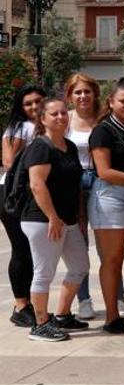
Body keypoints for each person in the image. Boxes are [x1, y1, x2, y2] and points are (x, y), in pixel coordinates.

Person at [19, 99, 88, 342]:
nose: (60, 117)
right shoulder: (40, 147)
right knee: (44, 272)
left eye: (63, 113)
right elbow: (37, 185)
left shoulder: (68, 146)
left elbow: (74, 184)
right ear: (43, 119)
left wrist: (77, 214)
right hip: (43, 220)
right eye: (54, 113)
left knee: (80, 266)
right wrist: (52, 217)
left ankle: (61, 315)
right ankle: (40, 324)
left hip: (66, 219)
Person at [88, 79, 124, 333]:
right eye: (123, 101)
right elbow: (104, 171)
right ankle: (112, 316)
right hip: (111, 196)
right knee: (113, 259)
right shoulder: (102, 130)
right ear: (111, 102)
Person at [2, 85, 45, 329]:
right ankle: (20, 305)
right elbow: (9, 162)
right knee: (21, 249)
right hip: (12, 193)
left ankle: (27, 302)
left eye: (38, 101)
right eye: (28, 104)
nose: (34, 107)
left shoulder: (42, 127)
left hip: (30, 194)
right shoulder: (20, 128)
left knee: (31, 250)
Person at [64, 74, 103, 321]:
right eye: (77, 92)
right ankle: (84, 299)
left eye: (87, 91)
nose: (82, 96)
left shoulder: (103, 119)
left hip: (101, 181)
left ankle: (117, 296)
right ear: (70, 95)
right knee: (79, 246)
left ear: (94, 93)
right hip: (73, 184)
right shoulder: (63, 119)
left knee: (107, 244)